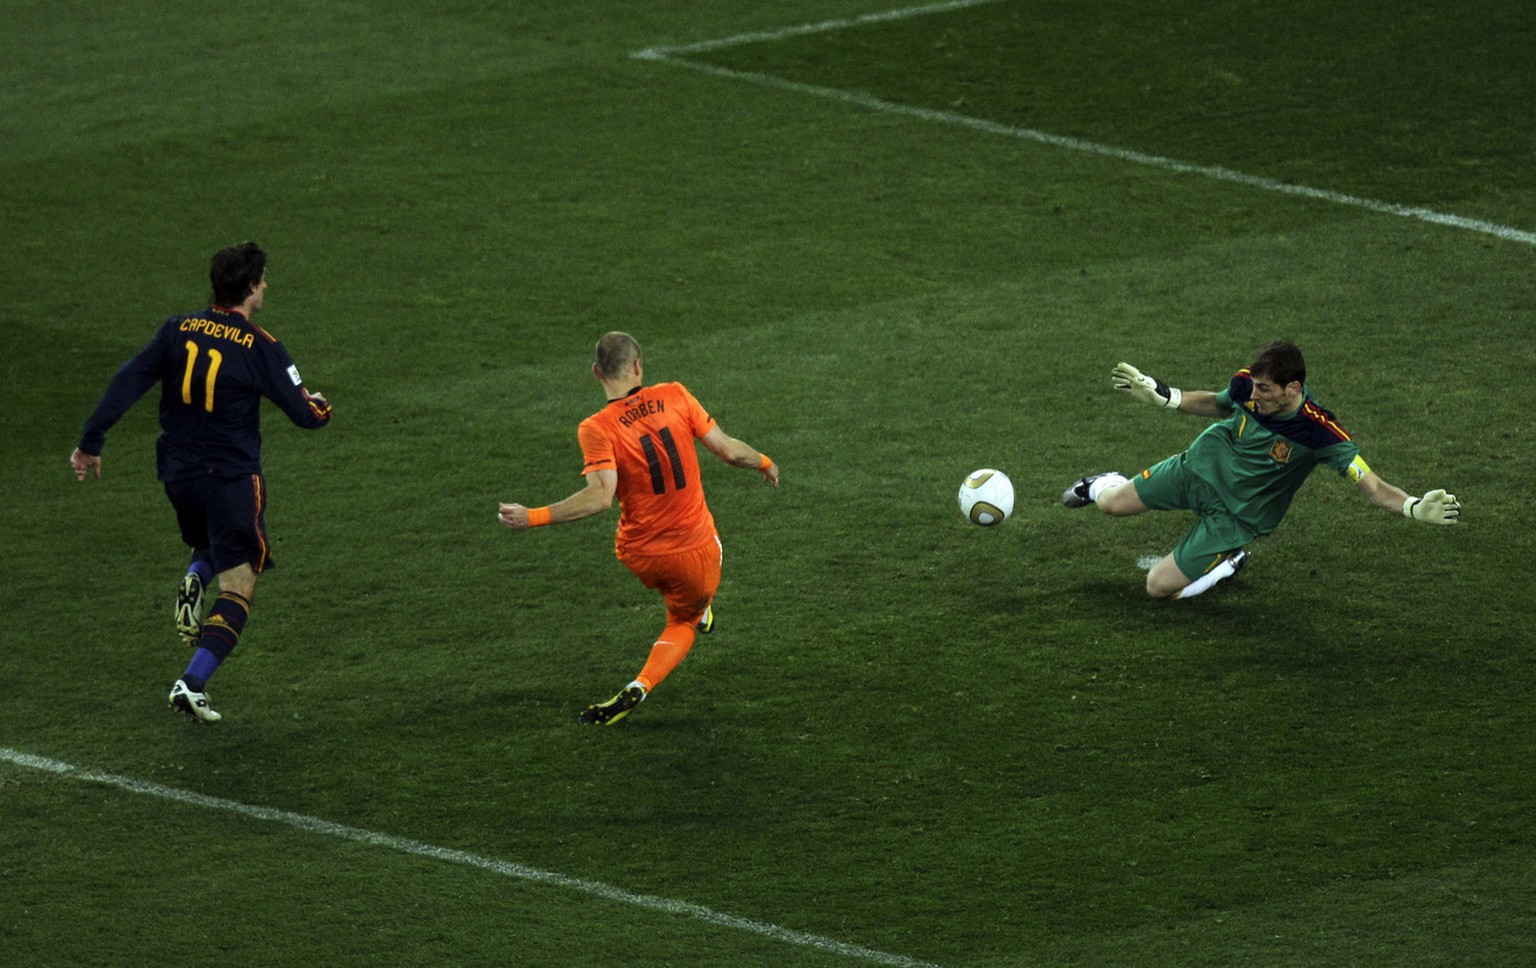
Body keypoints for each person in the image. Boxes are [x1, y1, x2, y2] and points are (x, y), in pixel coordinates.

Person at [70, 242, 332, 722]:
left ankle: (194, 577)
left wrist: (91, 441)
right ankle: (192, 683)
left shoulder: (177, 329)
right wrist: (320, 403)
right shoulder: (260, 345)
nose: (267, 285)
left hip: (177, 474)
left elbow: (129, 378)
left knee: (209, 540)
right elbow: (305, 416)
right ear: (251, 288)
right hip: (230, 477)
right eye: (264, 279)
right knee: (240, 583)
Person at [498, 332, 780, 725]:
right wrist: (765, 462)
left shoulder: (596, 427)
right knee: (682, 618)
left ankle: (699, 610)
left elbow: (600, 497)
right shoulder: (676, 395)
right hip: (695, 551)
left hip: (638, 554)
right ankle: (641, 684)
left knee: (683, 592)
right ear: (638, 366)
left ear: (597, 373)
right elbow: (731, 451)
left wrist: (532, 516)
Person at [1061, 340, 1460, 600]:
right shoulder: (1247, 387)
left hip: (1237, 515)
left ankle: (1227, 562)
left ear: (1293, 388)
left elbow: (1372, 486)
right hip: (1196, 469)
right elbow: (1219, 403)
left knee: (1158, 587)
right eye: (1253, 386)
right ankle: (1099, 483)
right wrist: (1166, 397)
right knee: (1112, 505)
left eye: (1265, 389)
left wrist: (1411, 506)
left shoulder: (1322, 433)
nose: (1253, 396)